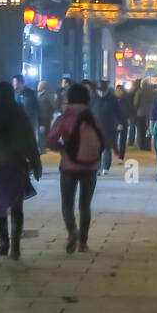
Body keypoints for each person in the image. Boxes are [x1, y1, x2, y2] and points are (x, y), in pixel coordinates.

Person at [0, 81, 42, 259]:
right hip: (16, 164)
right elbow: (30, 141)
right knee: (17, 207)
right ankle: (15, 245)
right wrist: (35, 162)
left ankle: (4, 243)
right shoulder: (20, 115)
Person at [48, 84, 105, 253]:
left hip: (69, 166)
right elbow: (103, 141)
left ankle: (72, 231)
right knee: (85, 205)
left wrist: (63, 150)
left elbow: (51, 140)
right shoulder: (93, 117)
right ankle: (83, 243)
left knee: (67, 203)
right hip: (90, 166)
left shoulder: (65, 117)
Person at [91, 80, 122, 176]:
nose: (101, 93)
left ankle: (105, 167)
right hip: (95, 127)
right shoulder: (93, 99)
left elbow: (118, 112)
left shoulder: (113, 99)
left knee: (106, 147)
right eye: (100, 91)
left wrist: (119, 123)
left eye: (103, 91)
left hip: (109, 126)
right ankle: (97, 167)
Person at [134, 77, 157, 151]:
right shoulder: (153, 92)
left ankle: (141, 145)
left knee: (141, 130)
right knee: (149, 130)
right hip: (150, 113)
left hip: (141, 113)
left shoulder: (139, 92)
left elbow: (136, 103)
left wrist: (136, 109)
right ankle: (147, 145)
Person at [113, 83, 133, 164]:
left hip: (123, 122)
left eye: (120, 90)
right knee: (113, 139)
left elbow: (128, 111)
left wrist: (121, 122)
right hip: (114, 123)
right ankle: (116, 152)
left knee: (122, 141)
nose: (119, 92)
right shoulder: (112, 100)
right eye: (117, 90)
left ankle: (121, 156)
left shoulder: (126, 100)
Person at [36, 80, 56, 153]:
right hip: (39, 117)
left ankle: (44, 149)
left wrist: (50, 116)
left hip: (45, 118)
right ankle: (42, 148)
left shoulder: (47, 95)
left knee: (43, 134)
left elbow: (53, 106)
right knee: (41, 134)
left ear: (43, 86)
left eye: (39, 85)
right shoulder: (38, 95)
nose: (38, 86)